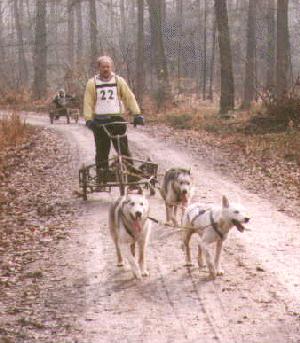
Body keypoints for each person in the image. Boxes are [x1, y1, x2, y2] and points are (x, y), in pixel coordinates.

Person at [83, 56, 144, 173]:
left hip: (117, 119)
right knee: (102, 151)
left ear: (111, 67)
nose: (106, 69)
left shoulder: (118, 81)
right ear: (99, 68)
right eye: (103, 67)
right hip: (100, 121)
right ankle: (101, 178)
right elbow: (88, 102)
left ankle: (131, 176)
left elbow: (129, 97)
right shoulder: (92, 83)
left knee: (123, 150)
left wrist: (137, 114)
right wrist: (88, 119)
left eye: (108, 66)